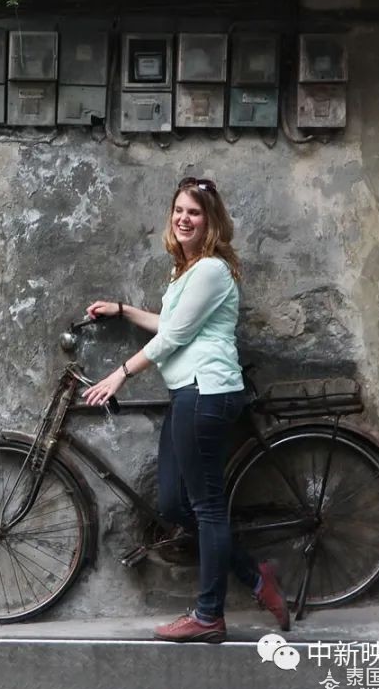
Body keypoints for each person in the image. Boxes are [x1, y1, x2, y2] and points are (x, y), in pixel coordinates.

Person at [80, 176, 291, 644]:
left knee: (207, 507)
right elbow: (171, 323)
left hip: (206, 392)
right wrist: (123, 309)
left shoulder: (212, 270)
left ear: (210, 221)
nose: (183, 218)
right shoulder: (187, 271)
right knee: (176, 503)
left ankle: (209, 615)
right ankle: (257, 577)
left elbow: (175, 336)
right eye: (178, 210)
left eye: (193, 212)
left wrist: (120, 373)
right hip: (188, 394)